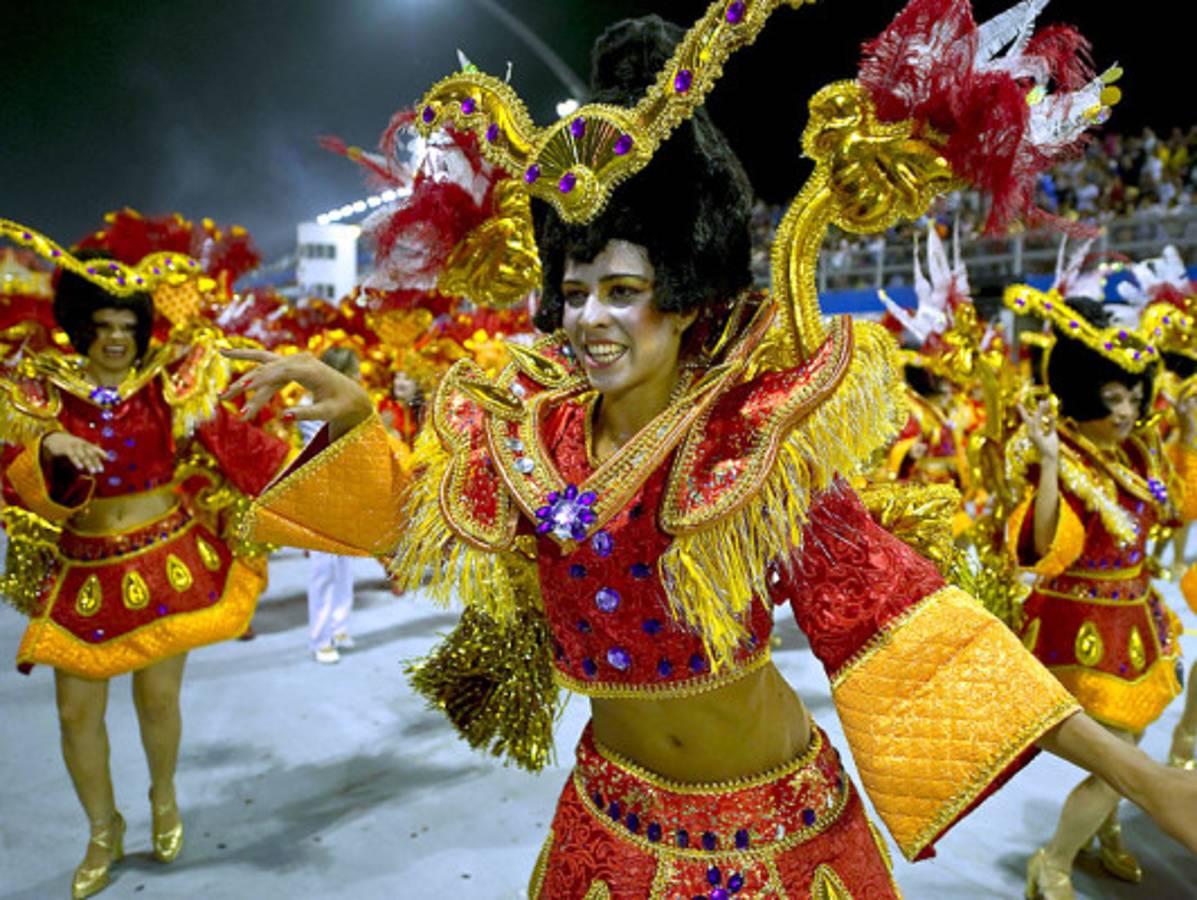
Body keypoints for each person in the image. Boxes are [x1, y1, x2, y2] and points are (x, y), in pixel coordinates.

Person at [230, 5, 1197, 897]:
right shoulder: (532, 437)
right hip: (607, 824)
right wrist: (355, 417)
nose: (590, 320)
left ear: (684, 291)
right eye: (574, 292)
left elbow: (913, 631)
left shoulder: (750, 450)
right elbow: (417, 528)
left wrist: (1143, 780)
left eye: (622, 290)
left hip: (781, 836)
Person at [0, 254, 290, 898]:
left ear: (141, 328)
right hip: (84, 569)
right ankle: (103, 829)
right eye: (102, 323)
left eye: (126, 325)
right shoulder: (41, 395)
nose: (114, 336)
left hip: (167, 560)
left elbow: (243, 450)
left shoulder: (170, 384)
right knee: (76, 715)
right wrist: (45, 447)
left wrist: (329, 460)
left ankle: (163, 796)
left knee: (158, 700)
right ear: (81, 325)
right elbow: (7, 473)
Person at [1003, 294, 1197, 894]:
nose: (1126, 410)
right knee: (1119, 765)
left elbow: (1179, 513)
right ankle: (1054, 860)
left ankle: (1099, 836)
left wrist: (1187, 434)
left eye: (1133, 397)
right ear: (1085, 394)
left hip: (1138, 622)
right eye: (1112, 398)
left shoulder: (1139, 451)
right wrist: (1052, 464)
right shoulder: (1056, 450)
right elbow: (1044, 548)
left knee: (1131, 748)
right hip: (1077, 626)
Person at [299, 347, 361, 663]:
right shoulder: (308, 411)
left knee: (344, 566)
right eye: (354, 374)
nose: (359, 380)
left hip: (347, 495)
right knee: (323, 569)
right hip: (319, 498)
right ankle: (319, 638)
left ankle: (339, 626)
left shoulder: (353, 408)